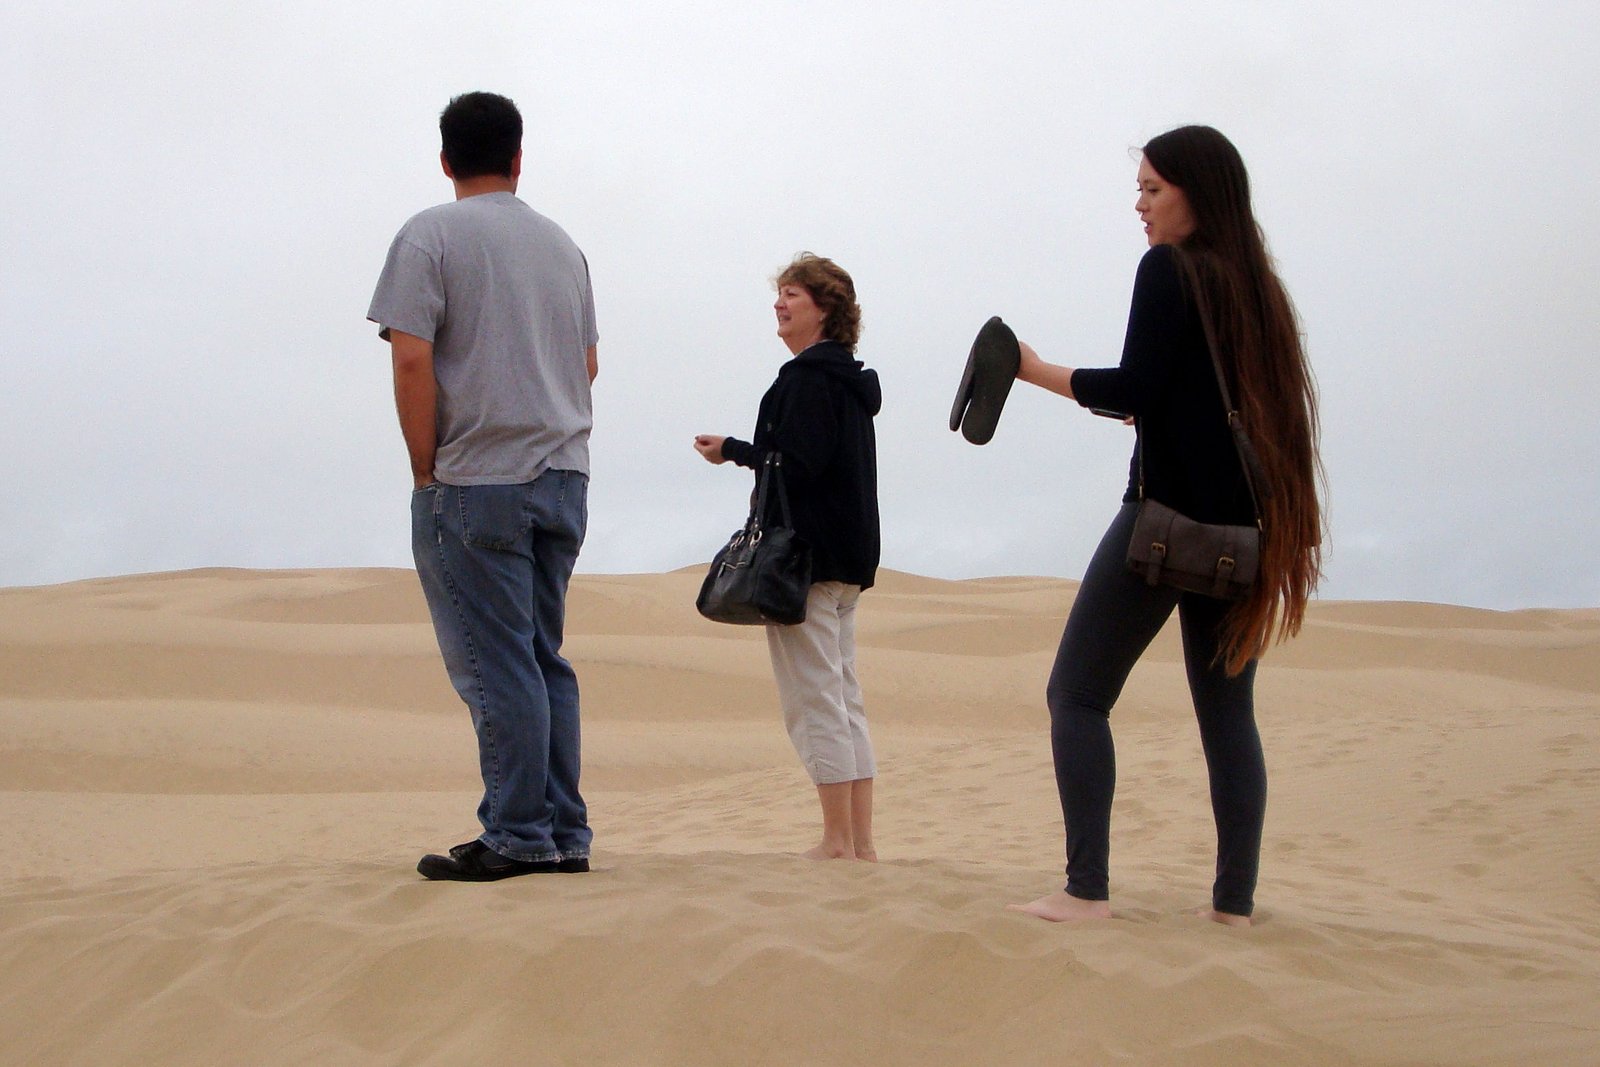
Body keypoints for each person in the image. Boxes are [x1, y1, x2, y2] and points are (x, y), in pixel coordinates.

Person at [1007, 126, 1323, 925]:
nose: (1139, 206)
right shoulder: (1258, 291)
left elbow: (1136, 385)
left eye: (1152, 189)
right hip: (1242, 539)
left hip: (1160, 529)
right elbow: (1203, 402)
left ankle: (1085, 889)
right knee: (1228, 717)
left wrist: (1030, 369)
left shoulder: (1169, 268)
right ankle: (1233, 905)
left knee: (1076, 694)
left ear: (1196, 194)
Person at [367, 91, 600, 881]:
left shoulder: (429, 233)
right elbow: (588, 362)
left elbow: (411, 357)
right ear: (518, 157)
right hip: (564, 472)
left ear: (444, 160)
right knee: (541, 656)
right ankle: (563, 831)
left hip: (477, 477)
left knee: (498, 663)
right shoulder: (564, 247)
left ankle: (519, 833)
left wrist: (425, 466)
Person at [694, 254, 883, 861]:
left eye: (793, 294)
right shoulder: (848, 382)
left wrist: (734, 449)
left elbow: (795, 466)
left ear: (824, 309)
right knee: (843, 697)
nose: (779, 304)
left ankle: (837, 840)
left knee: (815, 702)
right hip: (845, 559)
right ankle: (858, 841)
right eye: (780, 294)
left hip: (805, 559)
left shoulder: (805, 380)